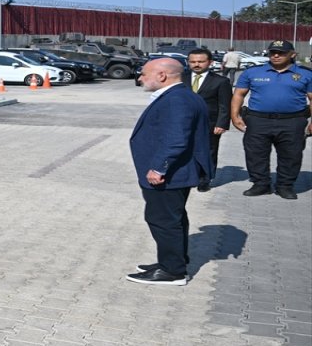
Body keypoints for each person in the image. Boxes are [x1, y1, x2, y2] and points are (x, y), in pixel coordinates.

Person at [126, 58, 211, 286]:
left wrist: (158, 167)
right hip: (176, 172)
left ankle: (172, 271)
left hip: (170, 173)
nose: (140, 78)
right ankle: (173, 261)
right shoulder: (181, 95)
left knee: (163, 220)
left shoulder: (177, 100)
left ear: (162, 75)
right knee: (174, 218)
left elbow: (177, 138)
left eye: (144, 74)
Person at [231, 40, 312, 200]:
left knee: (291, 155)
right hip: (258, 120)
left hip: (293, 121)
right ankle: (261, 184)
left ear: (292, 55)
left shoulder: (306, 74)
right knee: (255, 154)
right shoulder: (252, 72)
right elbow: (238, 95)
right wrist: (234, 116)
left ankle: (285, 186)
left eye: (281, 52)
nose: (276, 55)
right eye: (272, 52)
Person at [184, 48, 232, 191]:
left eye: (200, 61)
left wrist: (221, 123)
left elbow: (224, 105)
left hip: (209, 123)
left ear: (210, 62)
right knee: (183, 149)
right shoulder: (180, 78)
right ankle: (187, 177)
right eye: (192, 61)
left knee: (208, 151)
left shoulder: (221, 81)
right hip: (183, 122)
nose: (196, 64)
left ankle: (205, 179)